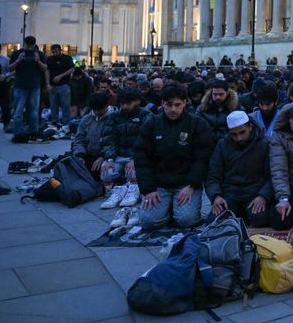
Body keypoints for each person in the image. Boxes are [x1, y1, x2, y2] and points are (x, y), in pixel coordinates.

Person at [135, 84, 213, 231]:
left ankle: (174, 208)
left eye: (177, 105)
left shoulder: (197, 124)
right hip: (159, 184)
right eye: (169, 105)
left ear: (185, 103)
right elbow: (142, 158)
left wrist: (192, 185)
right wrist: (148, 189)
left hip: (186, 183)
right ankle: (167, 209)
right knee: (147, 222)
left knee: (187, 219)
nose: (173, 109)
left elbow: (202, 158)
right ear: (162, 103)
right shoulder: (151, 123)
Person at [206, 110, 272, 226]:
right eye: (234, 135)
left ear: (250, 127)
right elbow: (213, 175)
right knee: (215, 222)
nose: (239, 138)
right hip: (230, 192)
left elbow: (272, 176)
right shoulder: (222, 145)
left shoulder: (264, 144)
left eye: (242, 133)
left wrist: (263, 196)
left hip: (255, 191)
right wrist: (216, 196)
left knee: (260, 220)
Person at [101, 87, 149, 197]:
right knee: (106, 174)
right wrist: (110, 158)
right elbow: (109, 139)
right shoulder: (114, 117)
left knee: (133, 174)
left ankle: (133, 192)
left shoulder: (146, 116)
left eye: (128, 103)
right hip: (117, 156)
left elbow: (145, 141)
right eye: (122, 104)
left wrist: (134, 158)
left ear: (137, 101)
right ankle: (114, 192)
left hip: (137, 156)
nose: (125, 107)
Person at [8, 36, 47, 139]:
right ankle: (18, 133)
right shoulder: (17, 53)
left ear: (34, 45)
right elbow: (9, 68)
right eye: (28, 46)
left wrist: (38, 61)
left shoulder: (39, 54)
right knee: (18, 111)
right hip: (20, 85)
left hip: (34, 86)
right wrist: (18, 61)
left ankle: (33, 131)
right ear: (24, 44)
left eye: (32, 46)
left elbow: (44, 69)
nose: (30, 48)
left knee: (34, 110)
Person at [71, 92, 112, 177]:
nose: (97, 112)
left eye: (100, 109)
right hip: (86, 155)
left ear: (106, 105)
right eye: (95, 109)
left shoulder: (113, 118)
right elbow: (79, 139)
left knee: (106, 172)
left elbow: (114, 142)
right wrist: (80, 156)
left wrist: (103, 157)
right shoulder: (86, 119)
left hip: (105, 156)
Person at [46, 44, 75, 134]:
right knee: (53, 106)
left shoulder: (67, 58)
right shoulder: (50, 59)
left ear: (60, 50)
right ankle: (55, 123)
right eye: (53, 52)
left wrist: (61, 76)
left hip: (64, 85)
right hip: (53, 86)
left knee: (65, 105)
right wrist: (48, 84)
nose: (55, 54)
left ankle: (66, 124)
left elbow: (72, 69)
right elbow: (47, 71)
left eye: (56, 52)